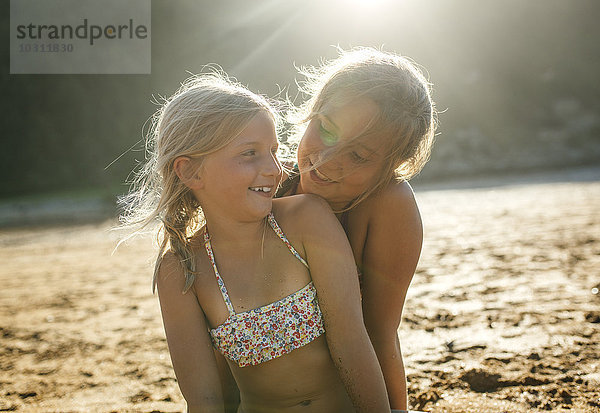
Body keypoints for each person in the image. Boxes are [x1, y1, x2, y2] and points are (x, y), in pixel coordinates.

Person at [119, 72, 390, 413]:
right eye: (250, 153)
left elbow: (351, 341)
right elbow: (205, 399)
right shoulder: (181, 269)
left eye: (274, 151)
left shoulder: (307, 219)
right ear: (190, 172)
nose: (274, 169)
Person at [276, 47, 437, 410]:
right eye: (326, 130)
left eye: (358, 156)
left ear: (392, 165)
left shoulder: (387, 205)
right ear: (313, 111)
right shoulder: (267, 186)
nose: (328, 160)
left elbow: (380, 332)